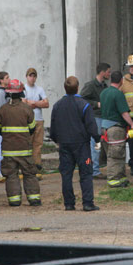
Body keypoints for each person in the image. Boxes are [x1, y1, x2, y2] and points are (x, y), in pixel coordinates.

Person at [50, 76, 101, 211]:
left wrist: (57, 140)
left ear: (64, 88)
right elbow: (91, 125)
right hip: (81, 144)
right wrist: (97, 138)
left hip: (64, 144)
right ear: (78, 87)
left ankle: (69, 203)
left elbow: (53, 128)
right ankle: (87, 203)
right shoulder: (84, 105)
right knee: (86, 173)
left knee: (66, 174)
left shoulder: (57, 105)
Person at [0, 79, 41, 206]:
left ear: (8, 93)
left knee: (11, 175)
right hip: (24, 150)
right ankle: (34, 199)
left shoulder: (2, 110)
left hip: (8, 150)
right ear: (21, 93)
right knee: (30, 174)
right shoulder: (27, 109)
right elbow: (32, 128)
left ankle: (14, 201)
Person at [100, 71, 133, 188]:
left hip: (104, 128)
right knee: (116, 155)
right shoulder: (118, 94)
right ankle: (114, 179)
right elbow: (124, 112)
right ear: (121, 80)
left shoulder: (104, 93)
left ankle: (120, 177)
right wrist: (132, 125)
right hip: (115, 128)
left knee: (113, 154)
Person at [80, 62, 111, 179]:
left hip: (102, 118)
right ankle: (94, 171)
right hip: (95, 118)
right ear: (102, 72)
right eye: (108, 71)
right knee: (96, 144)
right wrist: (96, 104)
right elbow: (82, 99)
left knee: (98, 144)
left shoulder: (104, 86)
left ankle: (94, 169)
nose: (109, 74)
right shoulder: (91, 86)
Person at [23, 68, 49, 176]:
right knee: (27, 144)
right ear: (27, 76)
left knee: (37, 145)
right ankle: (27, 168)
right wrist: (39, 103)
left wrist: (33, 103)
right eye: (30, 76)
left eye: (34, 76)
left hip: (39, 120)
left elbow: (46, 104)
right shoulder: (23, 89)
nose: (32, 78)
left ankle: (37, 167)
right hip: (27, 120)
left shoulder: (40, 89)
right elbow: (23, 103)